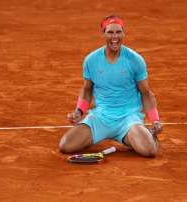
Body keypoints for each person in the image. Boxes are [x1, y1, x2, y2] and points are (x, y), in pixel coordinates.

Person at [59, 15, 162, 157]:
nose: (115, 37)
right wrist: (79, 111)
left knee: (149, 151)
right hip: (100, 118)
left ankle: (146, 135)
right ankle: (103, 136)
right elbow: (87, 89)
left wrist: (155, 120)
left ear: (123, 33)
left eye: (118, 32)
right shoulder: (91, 60)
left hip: (128, 119)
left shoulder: (135, 60)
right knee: (66, 146)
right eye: (110, 32)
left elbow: (146, 93)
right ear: (103, 34)